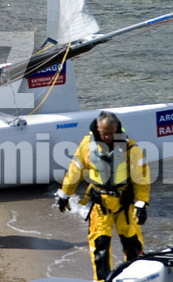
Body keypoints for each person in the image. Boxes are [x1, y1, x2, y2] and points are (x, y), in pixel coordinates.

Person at [57, 111, 150, 282]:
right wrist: (65, 195)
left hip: (124, 203)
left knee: (132, 243)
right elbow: (74, 171)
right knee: (100, 244)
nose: (107, 136)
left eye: (111, 132)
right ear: (97, 128)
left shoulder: (130, 147)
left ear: (117, 129)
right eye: (103, 132)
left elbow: (141, 177)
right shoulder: (87, 145)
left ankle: (136, 277)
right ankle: (102, 280)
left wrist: (142, 204)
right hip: (100, 203)